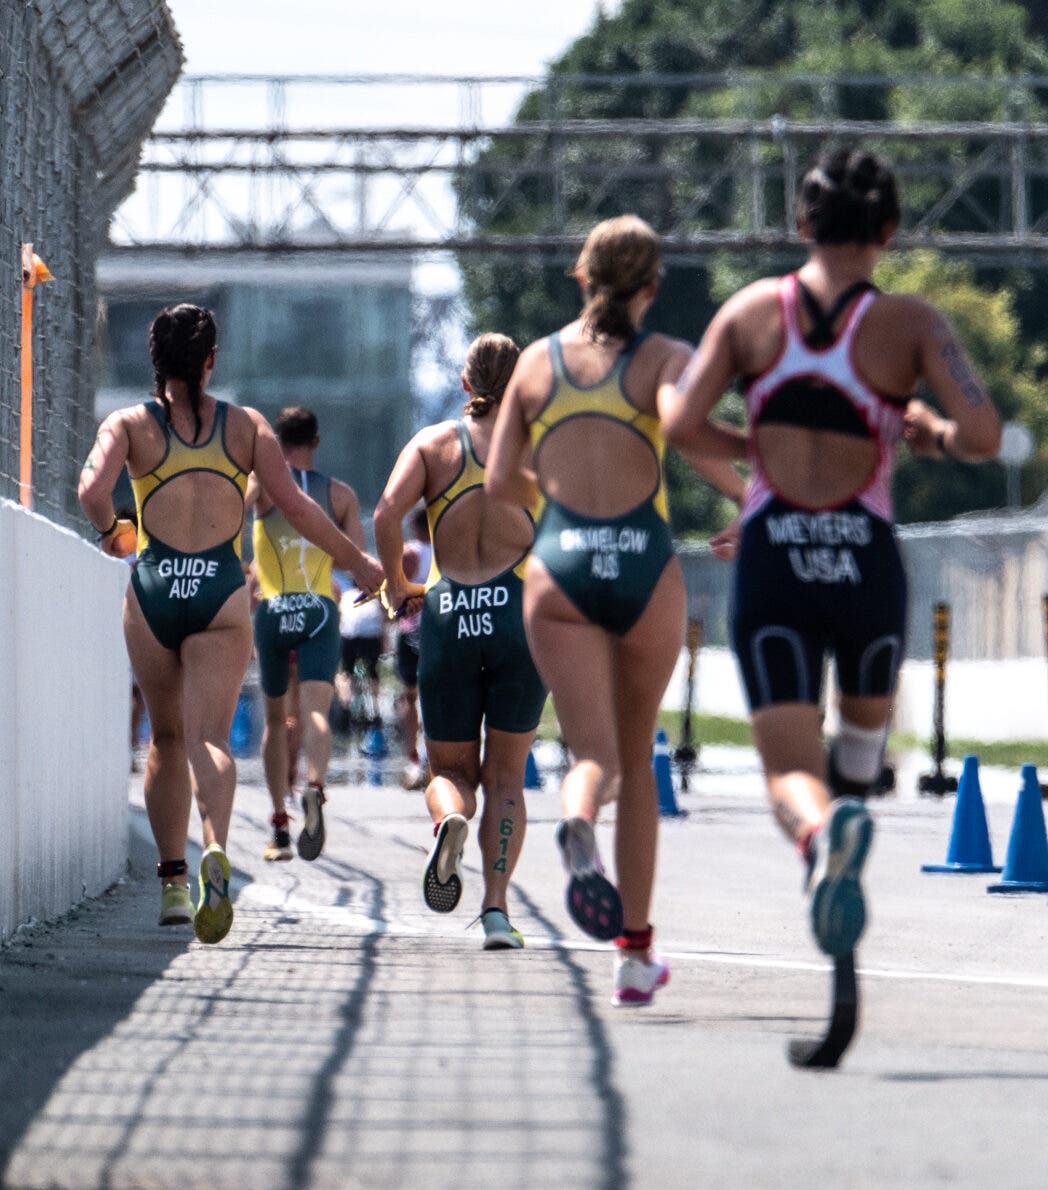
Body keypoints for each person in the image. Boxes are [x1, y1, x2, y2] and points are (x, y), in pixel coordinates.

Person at [663, 148, 1002, 969]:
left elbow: (679, 422)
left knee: (787, 770)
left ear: (801, 224)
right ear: (888, 229)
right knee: (858, 752)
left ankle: (819, 835)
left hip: (776, 549)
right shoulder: (912, 323)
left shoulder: (751, 313)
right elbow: (985, 437)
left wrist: (754, 442)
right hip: (865, 558)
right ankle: (851, 804)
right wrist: (931, 432)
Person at [485, 217, 745, 1002]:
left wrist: (558, 495)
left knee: (591, 756)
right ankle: (634, 957)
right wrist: (751, 495)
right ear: (652, 287)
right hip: (643, 566)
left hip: (559, 570)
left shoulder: (535, 364)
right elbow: (690, 428)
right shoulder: (664, 357)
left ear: (581, 277)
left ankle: (576, 820)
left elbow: (500, 483)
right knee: (638, 763)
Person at [78, 303, 383, 944]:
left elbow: (90, 491)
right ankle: (215, 849)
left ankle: (170, 885)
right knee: (209, 738)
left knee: (164, 738)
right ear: (211, 360)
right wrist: (359, 562)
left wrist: (113, 533)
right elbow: (296, 507)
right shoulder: (244, 428)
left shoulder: (131, 425)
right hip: (220, 590)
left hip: (156, 584)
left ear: (154, 361)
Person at [374, 333, 548, 950]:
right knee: (507, 776)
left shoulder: (434, 445)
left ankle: (449, 817)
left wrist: (398, 585)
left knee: (448, 770)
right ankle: (496, 912)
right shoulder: (536, 446)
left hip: (448, 612)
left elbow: (385, 514)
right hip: (518, 618)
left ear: (466, 384)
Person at [248, 405, 366, 863]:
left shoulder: (263, 488)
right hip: (318, 608)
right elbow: (349, 556)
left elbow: (226, 512)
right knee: (317, 711)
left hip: (273, 609)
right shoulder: (340, 495)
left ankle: (280, 825)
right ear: (315, 442)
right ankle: (315, 786)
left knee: (278, 720)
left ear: (277, 442)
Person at [393, 506, 432, 789]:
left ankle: (415, 757)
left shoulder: (410, 553)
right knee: (434, 693)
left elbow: (398, 589)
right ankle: (427, 757)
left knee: (410, 696)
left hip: (413, 630)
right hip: (441, 626)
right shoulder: (447, 550)